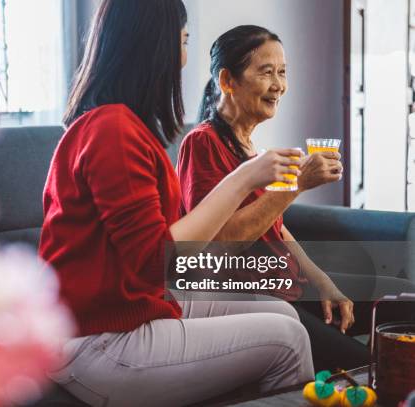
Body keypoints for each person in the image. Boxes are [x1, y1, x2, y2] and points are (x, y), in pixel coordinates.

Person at [39, 3, 314, 406]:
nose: (185, 58)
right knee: (289, 341)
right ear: (156, 47)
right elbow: (158, 262)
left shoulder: (119, 124)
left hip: (130, 304)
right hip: (99, 339)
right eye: (183, 42)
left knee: (284, 315)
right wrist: (245, 178)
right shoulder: (113, 130)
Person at [177, 25, 415, 371]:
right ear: (228, 80)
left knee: (405, 301)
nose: (279, 85)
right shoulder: (202, 143)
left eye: (283, 72)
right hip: (262, 299)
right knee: (370, 366)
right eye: (266, 72)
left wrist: (324, 282)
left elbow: (278, 230)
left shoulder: (251, 149)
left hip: (294, 285)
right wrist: (297, 185)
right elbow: (221, 243)